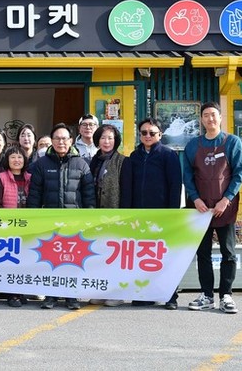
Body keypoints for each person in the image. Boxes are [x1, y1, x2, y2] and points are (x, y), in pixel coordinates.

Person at [184, 102, 242, 314]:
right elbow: (187, 176)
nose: (210, 119)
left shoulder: (232, 142)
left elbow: (239, 174)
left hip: (224, 207)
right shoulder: (193, 145)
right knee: (203, 253)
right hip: (200, 208)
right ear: (201, 119)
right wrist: (195, 199)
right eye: (206, 115)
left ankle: (226, 295)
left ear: (220, 117)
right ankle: (207, 295)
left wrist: (226, 199)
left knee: (229, 252)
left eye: (213, 115)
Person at [26, 123, 95, 310]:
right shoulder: (42, 164)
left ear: (71, 141)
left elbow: (89, 195)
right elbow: (34, 194)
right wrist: (33, 219)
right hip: (49, 221)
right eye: (57, 138)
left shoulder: (81, 164)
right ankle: (51, 296)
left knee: (72, 260)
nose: (61, 142)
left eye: (64, 138)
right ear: (52, 141)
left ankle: (72, 297)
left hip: (74, 222)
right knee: (51, 260)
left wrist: (89, 219)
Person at [130, 118, 182, 310]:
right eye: (144, 133)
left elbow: (175, 186)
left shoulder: (168, 155)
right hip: (140, 216)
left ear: (160, 134)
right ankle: (146, 294)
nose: (147, 136)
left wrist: (172, 214)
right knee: (144, 257)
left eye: (152, 133)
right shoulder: (134, 156)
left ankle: (171, 296)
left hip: (162, 215)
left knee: (165, 256)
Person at [87, 124, 131, 308]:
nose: (106, 141)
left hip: (115, 215)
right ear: (97, 140)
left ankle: (116, 293)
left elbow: (127, 191)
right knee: (98, 254)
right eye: (103, 138)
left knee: (115, 255)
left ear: (116, 141)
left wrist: (124, 215)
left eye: (110, 138)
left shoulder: (123, 161)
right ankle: (100, 290)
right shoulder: (93, 161)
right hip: (96, 215)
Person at [0, 145, 31, 308]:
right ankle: (12, 294)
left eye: (20, 157)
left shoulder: (30, 178)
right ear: (7, 160)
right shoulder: (0, 178)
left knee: (24, 261)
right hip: (8, 228)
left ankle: (20, 292)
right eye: (13, 157)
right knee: (10, 261)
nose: (16, 160)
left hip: (27, 227)